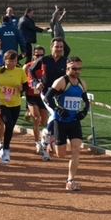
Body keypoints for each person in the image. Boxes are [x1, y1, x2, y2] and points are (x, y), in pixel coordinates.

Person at [44, 56, 89, 191]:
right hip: (60, 121)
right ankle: (51, 141)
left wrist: (84, 112)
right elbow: (47, 98)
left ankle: (70, 180)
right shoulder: (61, 82)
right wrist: (58, 109)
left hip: (74, 121)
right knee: (61, 154)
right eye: (74, 69)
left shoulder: (82, 83)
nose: (77, 71)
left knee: (76, 149)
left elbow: (86, 101)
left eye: (79, 69)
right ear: (68, 68)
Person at [29, 37, 67, 159]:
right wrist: (36, 82)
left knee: (58, 115)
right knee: (56, 113)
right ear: (51, 47)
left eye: (61, 46)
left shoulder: (65, 61)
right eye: (57, 46)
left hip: (60, 93)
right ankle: (46, 137)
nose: (59, 49)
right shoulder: (44, 60)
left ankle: (45, 143)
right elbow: (31, 70)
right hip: (46, 92)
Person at [0, 50, 26, 164]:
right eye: (11, 61)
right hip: (2, 103)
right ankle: (6, 149)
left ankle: (4, 146)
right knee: (9, 124)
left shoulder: (20, 72)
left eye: (15, 61)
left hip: (15, 103)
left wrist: (22, 88)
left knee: (11, 127)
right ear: (5, 60)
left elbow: (25, 85)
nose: (13, 63)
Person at [23, 45, 50, 160]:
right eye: (37, 55)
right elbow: (23, 79)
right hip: (31, 96)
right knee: (37, 118)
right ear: (33, 55)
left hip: (43, 97)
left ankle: (29, 113)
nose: (39, 57)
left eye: (41, 55)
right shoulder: (27, 66)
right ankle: (38, 143)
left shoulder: (46, 67)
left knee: (44, 122)